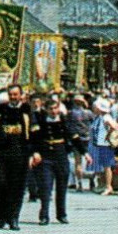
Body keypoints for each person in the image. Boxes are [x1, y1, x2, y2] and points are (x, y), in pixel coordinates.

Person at [0, 84, 35, 230]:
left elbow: (34, 134)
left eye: (16, 94)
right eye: (11, 94)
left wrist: (34, 153)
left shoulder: (27, 111)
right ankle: (0, 217)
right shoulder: (1, 110)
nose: (13, 97)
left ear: (21, 95)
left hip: (20, 153)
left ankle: (13, 218)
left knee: (16, 187)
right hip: (1, 153)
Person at [31, 96, 72, 225]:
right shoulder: (41, 121)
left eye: (55, 108)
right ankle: (44, 215)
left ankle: (61, 214)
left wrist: (84, 153)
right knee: (46, 188)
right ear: (46, 109)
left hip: (61, 157)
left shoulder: (64, 120)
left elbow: (73, 136)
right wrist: (35, 152)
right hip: (46, 157)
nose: (53, 111)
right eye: (50, 109)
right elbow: (34, 139)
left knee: (61, 187)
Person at [86, 98, 118, 197]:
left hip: (106, 144)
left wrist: (108, 134)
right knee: (105, 166)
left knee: (107, 166)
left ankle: (108, 186)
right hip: (102, 144)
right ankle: (105, 185)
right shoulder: (102, 117)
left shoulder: (106, 117)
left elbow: (114, 127)